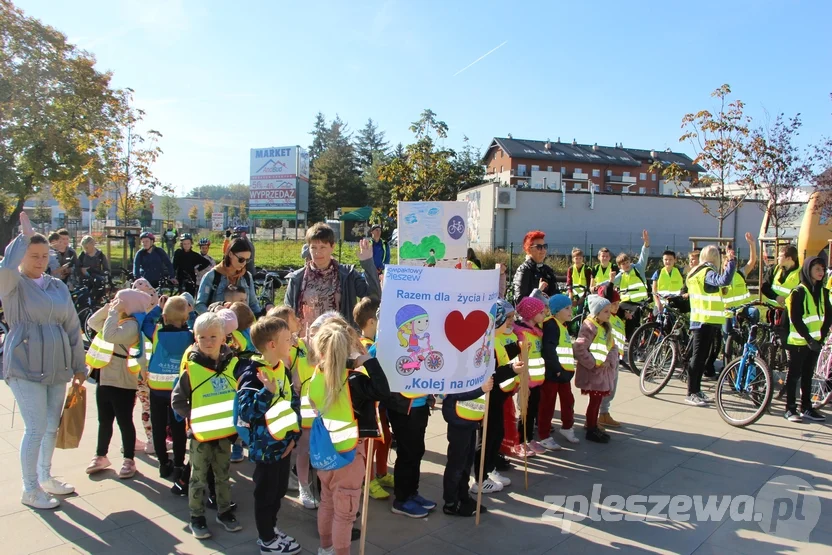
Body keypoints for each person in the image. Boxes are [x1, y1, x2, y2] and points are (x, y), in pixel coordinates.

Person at [0, 213, 86, 509]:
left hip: (56, 365)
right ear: (22, 256)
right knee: (35, 427)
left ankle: (45, 477)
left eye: (43, 255)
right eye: (32, 255)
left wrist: (79, 366)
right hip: (24, 365)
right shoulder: (12, 284)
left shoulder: (56, 286)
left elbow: (73, 326)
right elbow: (5, 268)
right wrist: (22, 237)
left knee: (50, 424)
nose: (39, 261)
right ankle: (29, 488)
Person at [309, 321, 391, 555]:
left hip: (326, 452)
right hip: (349, 456)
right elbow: (383, 391)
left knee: (327, 502)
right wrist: (368, 361)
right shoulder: (354, 381)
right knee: (345, 514)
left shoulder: (317, 376)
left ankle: (325, 548)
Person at [172, 312, 243, 540]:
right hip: (200, 436)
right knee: (198, 477)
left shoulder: (233, 365)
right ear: (195, 338)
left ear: (224, 338)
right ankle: (197, 517)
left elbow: (239, 395)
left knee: (222, 476)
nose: (208, 342)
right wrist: (193, 418)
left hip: (224, 434)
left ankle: (224, 512)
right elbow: (177, 400)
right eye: (202, 337)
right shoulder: (191, 370)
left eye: (213, 336)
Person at [237, 317, 303, 554]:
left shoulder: (282, 367)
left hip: (283, 444)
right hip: (265, 448)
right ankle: (266, 538)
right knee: (265, 494)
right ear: (272, 345)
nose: (292, 343)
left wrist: (294, 436)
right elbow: (246, 411)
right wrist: (266, 392)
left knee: (278, 491)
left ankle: (271, 530)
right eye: (287, 339)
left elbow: (292, 402)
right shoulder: (252, 373)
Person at [85, 289, 152, 479]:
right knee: (104, 420)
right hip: (105, 377)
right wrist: (108, 309)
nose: (115, 302)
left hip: (123, 380)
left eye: (119, 300)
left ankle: (129, 459)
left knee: (124, 421)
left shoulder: (132, 325)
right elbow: (92, 323)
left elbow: (110, 336)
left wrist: (113, 314)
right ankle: (100, 455)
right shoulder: (116, 319)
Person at [283, 223, 379, 329]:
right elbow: (287, 316)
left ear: (332, 247)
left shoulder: (347, 274)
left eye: (322, 247)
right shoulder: (296, 279)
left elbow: (374, 296)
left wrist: (368, 263)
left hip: (340, 340)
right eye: (313, 247)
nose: (317, 252)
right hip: (305, 342)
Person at [471, 300, 524, 495]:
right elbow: (492, 374)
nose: (511, 322)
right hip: (489, 398)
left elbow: (507, 355)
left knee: (497, 434)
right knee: (487, 437)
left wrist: (520, 349)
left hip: (500, 397)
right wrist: (511, 369)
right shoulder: (487, 345)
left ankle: (489, 468)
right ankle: (479, 478)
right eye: (507, 319)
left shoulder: (499, 338)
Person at [141, 296, 192, 481]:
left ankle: (163, 463)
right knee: (178, 428)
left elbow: (145, 321)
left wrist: (157, 308)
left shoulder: (156, 332)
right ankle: (179, 463)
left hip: (156, 389)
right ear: (186, 318)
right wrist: (190, 313)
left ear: (164, 316)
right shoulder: (191, 336)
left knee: (159, 426)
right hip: (178, 390)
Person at [352, 297, 393, 500]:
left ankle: (382, 472)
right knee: (371, 444)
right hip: (370, 407)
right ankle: (367, 480)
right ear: (371, 322)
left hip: (382, 404)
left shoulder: (373, 343)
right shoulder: (364, 346)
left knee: (385, 438)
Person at [685, 245, 736, 406]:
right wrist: (732, 263)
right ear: (715, 258)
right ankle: (691, 392)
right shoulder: (707, 272)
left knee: (700, 358)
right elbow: (723, 280)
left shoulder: (696, 273)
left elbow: (713, 289)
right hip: (705, 321)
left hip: (701, 320)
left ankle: (696, 390)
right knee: (699, 358)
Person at [783, 257, 831, 423]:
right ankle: (789, 408)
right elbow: (795, 318)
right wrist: (809, 339)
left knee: (808, 375)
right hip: (799, 342)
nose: (821, 272)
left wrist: (821, 338)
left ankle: (806, 407)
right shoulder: (798, 292)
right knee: (794, 375)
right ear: (808, 270)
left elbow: (828, 317)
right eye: (817, 269)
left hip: (815, 343)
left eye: (823, 269)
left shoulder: (824, 292)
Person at [442, 373, 494, 516]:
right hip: (458, 419)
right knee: (457, 463)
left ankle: (463, 495)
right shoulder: (455, 364)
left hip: (470, 418)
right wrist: (481, 389)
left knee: (466, 462)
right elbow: (453, 392)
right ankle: (451, 502)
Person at [572, 295, 618, 443]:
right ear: (596, 313)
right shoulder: (589, 327)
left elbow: (612, 346)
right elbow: (579, 348)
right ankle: (591, 428)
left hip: (602, 372)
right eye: (605, 311)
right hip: (593, 372)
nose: (609, 314)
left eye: (608, 311)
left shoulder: (605, 327)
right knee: (594, 401)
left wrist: (609, 360)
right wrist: (594, 363)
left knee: (597, 401)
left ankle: (593, 425)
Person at [538, 294, 579, 451]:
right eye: (567, 308)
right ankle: (544, 436)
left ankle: (567, 427)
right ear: (556, 311)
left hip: (564, 373)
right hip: (554, 374)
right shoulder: (551, 325)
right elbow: (548, 350)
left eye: (571, 307)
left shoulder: (562, 325)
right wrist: (556, 370)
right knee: (547, 404)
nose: (571, 311)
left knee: (568, 400)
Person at [513, 297, 548, 455]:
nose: (544, 313)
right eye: (541, 312)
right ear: (532, 314)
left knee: (533, 410)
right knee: (524, 411)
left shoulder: (536, 331)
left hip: (537, 378)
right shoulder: (521, 333)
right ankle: (519, 441)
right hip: (526, 380)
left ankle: (529, 438)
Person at [196, 238, 261, 316]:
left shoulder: (247, 276)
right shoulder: (212, 276)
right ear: (230, 254)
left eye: (247, 260)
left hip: (243, 327)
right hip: (218, 325)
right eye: (241, 259)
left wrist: (262, 317)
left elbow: (253, 304)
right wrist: (214, 316)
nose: (244, 263)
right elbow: (199, 305)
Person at [613, 230, 651, 340]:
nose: (626, 265)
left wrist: (646, 244)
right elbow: (610, 282)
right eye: (623, 264)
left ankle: (630, 340)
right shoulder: (621, 276)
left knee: (633, 318)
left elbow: (644, 256)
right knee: (614, 311)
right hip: (625, 302)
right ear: (620, 266)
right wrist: (597, 286)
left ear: (630, 261)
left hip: (639, 302)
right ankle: (617, 335)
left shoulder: (638, 269)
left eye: (627, 262)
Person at [722, 233, 759, 336]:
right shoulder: (720, 279)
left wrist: (752, 244)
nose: (728, 267)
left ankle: (751, 341)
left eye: (730, 265)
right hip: (727, 311)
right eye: (726, 265)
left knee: (755, 312)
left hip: (743, 308)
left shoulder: (741, 274)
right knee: (727, 333)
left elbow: (752, 261)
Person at [598, 285, 624, 429]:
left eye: (618, 304)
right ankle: (598, 415)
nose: (616, 306)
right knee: (603, 388)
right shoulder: (605, 319)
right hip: (606, 360)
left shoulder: (616, 319)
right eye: (614, 304)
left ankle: (604, 413)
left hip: (615, 358)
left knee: (611, 388)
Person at [513, 230, 557, 302]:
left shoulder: (548, 270)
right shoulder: (524, 269)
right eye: (539, 247)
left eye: (544, 246)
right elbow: (520, 301)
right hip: (531, 313)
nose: (543, 250)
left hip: (547, 312)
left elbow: (556, 294)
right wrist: (538, 291)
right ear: (529, 249)